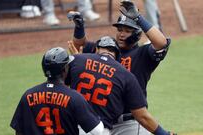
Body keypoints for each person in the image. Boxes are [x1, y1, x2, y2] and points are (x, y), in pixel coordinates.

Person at [67, 0, 171, 134]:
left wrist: (139, 19)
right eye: (120, 30)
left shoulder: (142, 54)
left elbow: (161, 43)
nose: (121, 34)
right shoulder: (108, 49)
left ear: (138, 34)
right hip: (99, 122)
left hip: (128, 123)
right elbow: (80, 45)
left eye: (127, 31)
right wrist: (79, 26)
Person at [65, 36, 176, 135]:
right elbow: (142, 116)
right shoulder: (125, 75)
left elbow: (61, 84)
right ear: (117, 56)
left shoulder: (78, 60)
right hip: (100, 129)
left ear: (97, 49)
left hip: (72, 125)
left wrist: (78, 63)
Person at [10, 47, 107, 135]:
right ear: (65, 69)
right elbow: (98, 131)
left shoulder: (28, 96)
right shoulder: (75, 98)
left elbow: (19, 131)